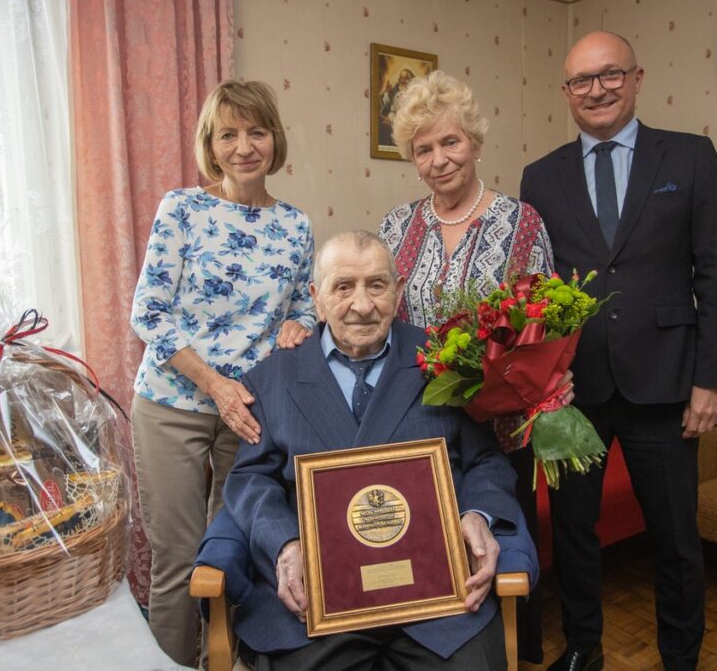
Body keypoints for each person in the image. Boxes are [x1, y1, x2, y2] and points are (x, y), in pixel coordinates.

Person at [520, 31, 717, 671]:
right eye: (582, 81)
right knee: (573, 535)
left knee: (675, 540)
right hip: (572, 392)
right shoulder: (541, 175)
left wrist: (712, 380)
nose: (597, 89)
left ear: (637, 78)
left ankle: (680, 656)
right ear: (567, 93)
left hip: (667, 384)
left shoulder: (691, 158)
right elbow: (534, 289)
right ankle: (584, 647)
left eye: (610, 74)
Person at [217, 231, 537, 670]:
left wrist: (476, 514)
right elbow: (250, 479)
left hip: (437, 599)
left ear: (398, 290)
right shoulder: (273, 379)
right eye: (343, 286)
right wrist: (286, 543)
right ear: (316, 297)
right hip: (318, 602)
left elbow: (485, 460)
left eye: (377, 285)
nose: (363, 305)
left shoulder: (446, 360)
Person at [129, 79, 315, 666]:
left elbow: (305, 303)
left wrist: (299, 325)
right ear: (211, 145)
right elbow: (148, 314)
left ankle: (229, 661)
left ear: (274, 140)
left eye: (256, 132)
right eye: (228, 134)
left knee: (234, 553)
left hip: (252, 414)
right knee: (180, 558)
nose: (243, 146)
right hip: (171, 405)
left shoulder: (297, 226)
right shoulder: (182, 209)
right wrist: (212, 383)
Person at [379, 69, 556, 664]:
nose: (438, 160)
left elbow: (544, 325)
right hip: (417, 423)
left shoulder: (520, 222)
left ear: (475, 143)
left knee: (499, 541)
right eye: (422, 149)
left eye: (449, 142)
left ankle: (507, 647)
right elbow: (380, 320)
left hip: (500, 426)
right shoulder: (397, 227)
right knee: (423, 544)